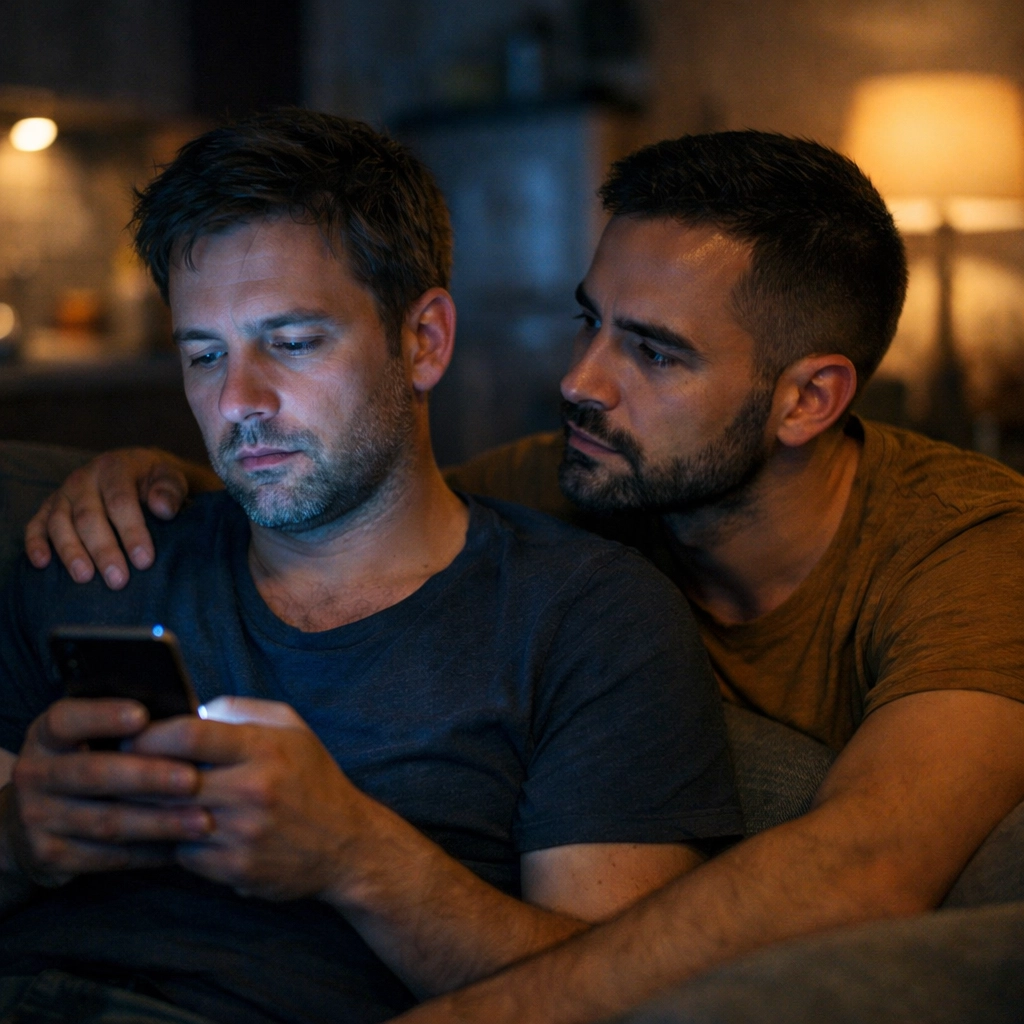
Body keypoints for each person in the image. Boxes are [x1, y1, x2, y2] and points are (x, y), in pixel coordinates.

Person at [25, 131, 1024, 1024]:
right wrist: (164, 484)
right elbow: (351, 497)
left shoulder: (972, 546)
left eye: (652, 350)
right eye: (590, 323)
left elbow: (864, 864)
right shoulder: (572, 476)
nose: (579, 381)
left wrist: (370, 884)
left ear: (809, 398)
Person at [0, 112, 743, 1024]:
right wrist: (20, 844)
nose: (238, 402)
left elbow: (617, 996)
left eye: (294, 341)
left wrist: (356, 859)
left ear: (424, 340)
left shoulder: (586, 618)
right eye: (204, 355)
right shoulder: (98, 556)